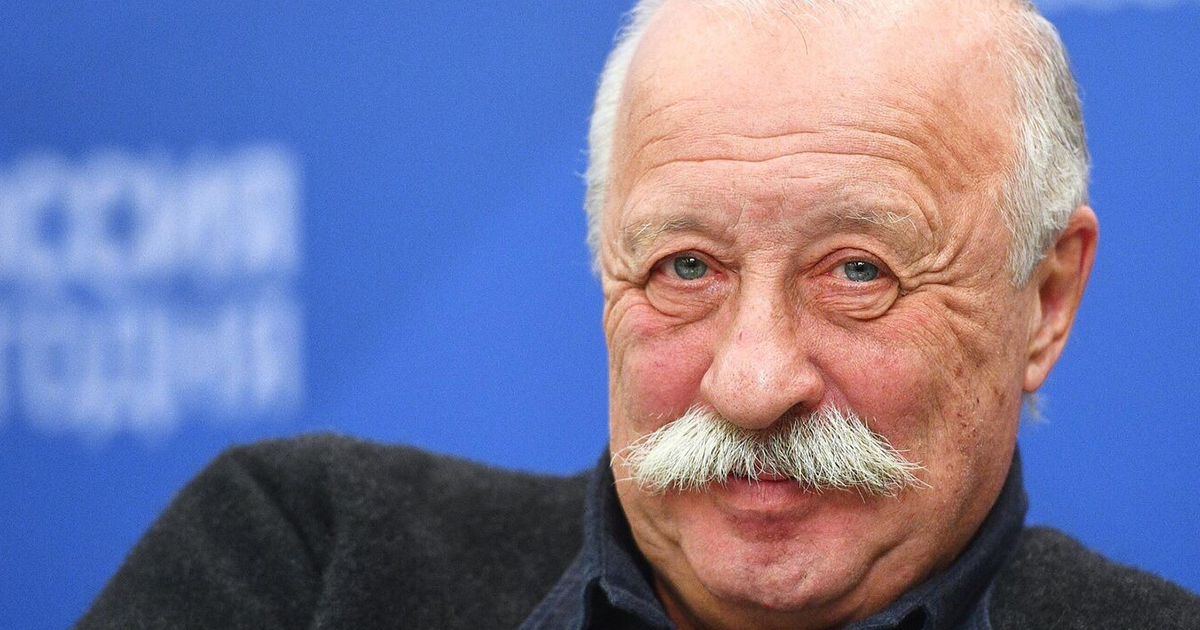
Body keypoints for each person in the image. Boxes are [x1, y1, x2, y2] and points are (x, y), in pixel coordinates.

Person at [77, 0, 1200, 629]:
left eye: (858, 272)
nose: (751, 385)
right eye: (686, 266)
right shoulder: (306, 567)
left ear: (1045, 301)